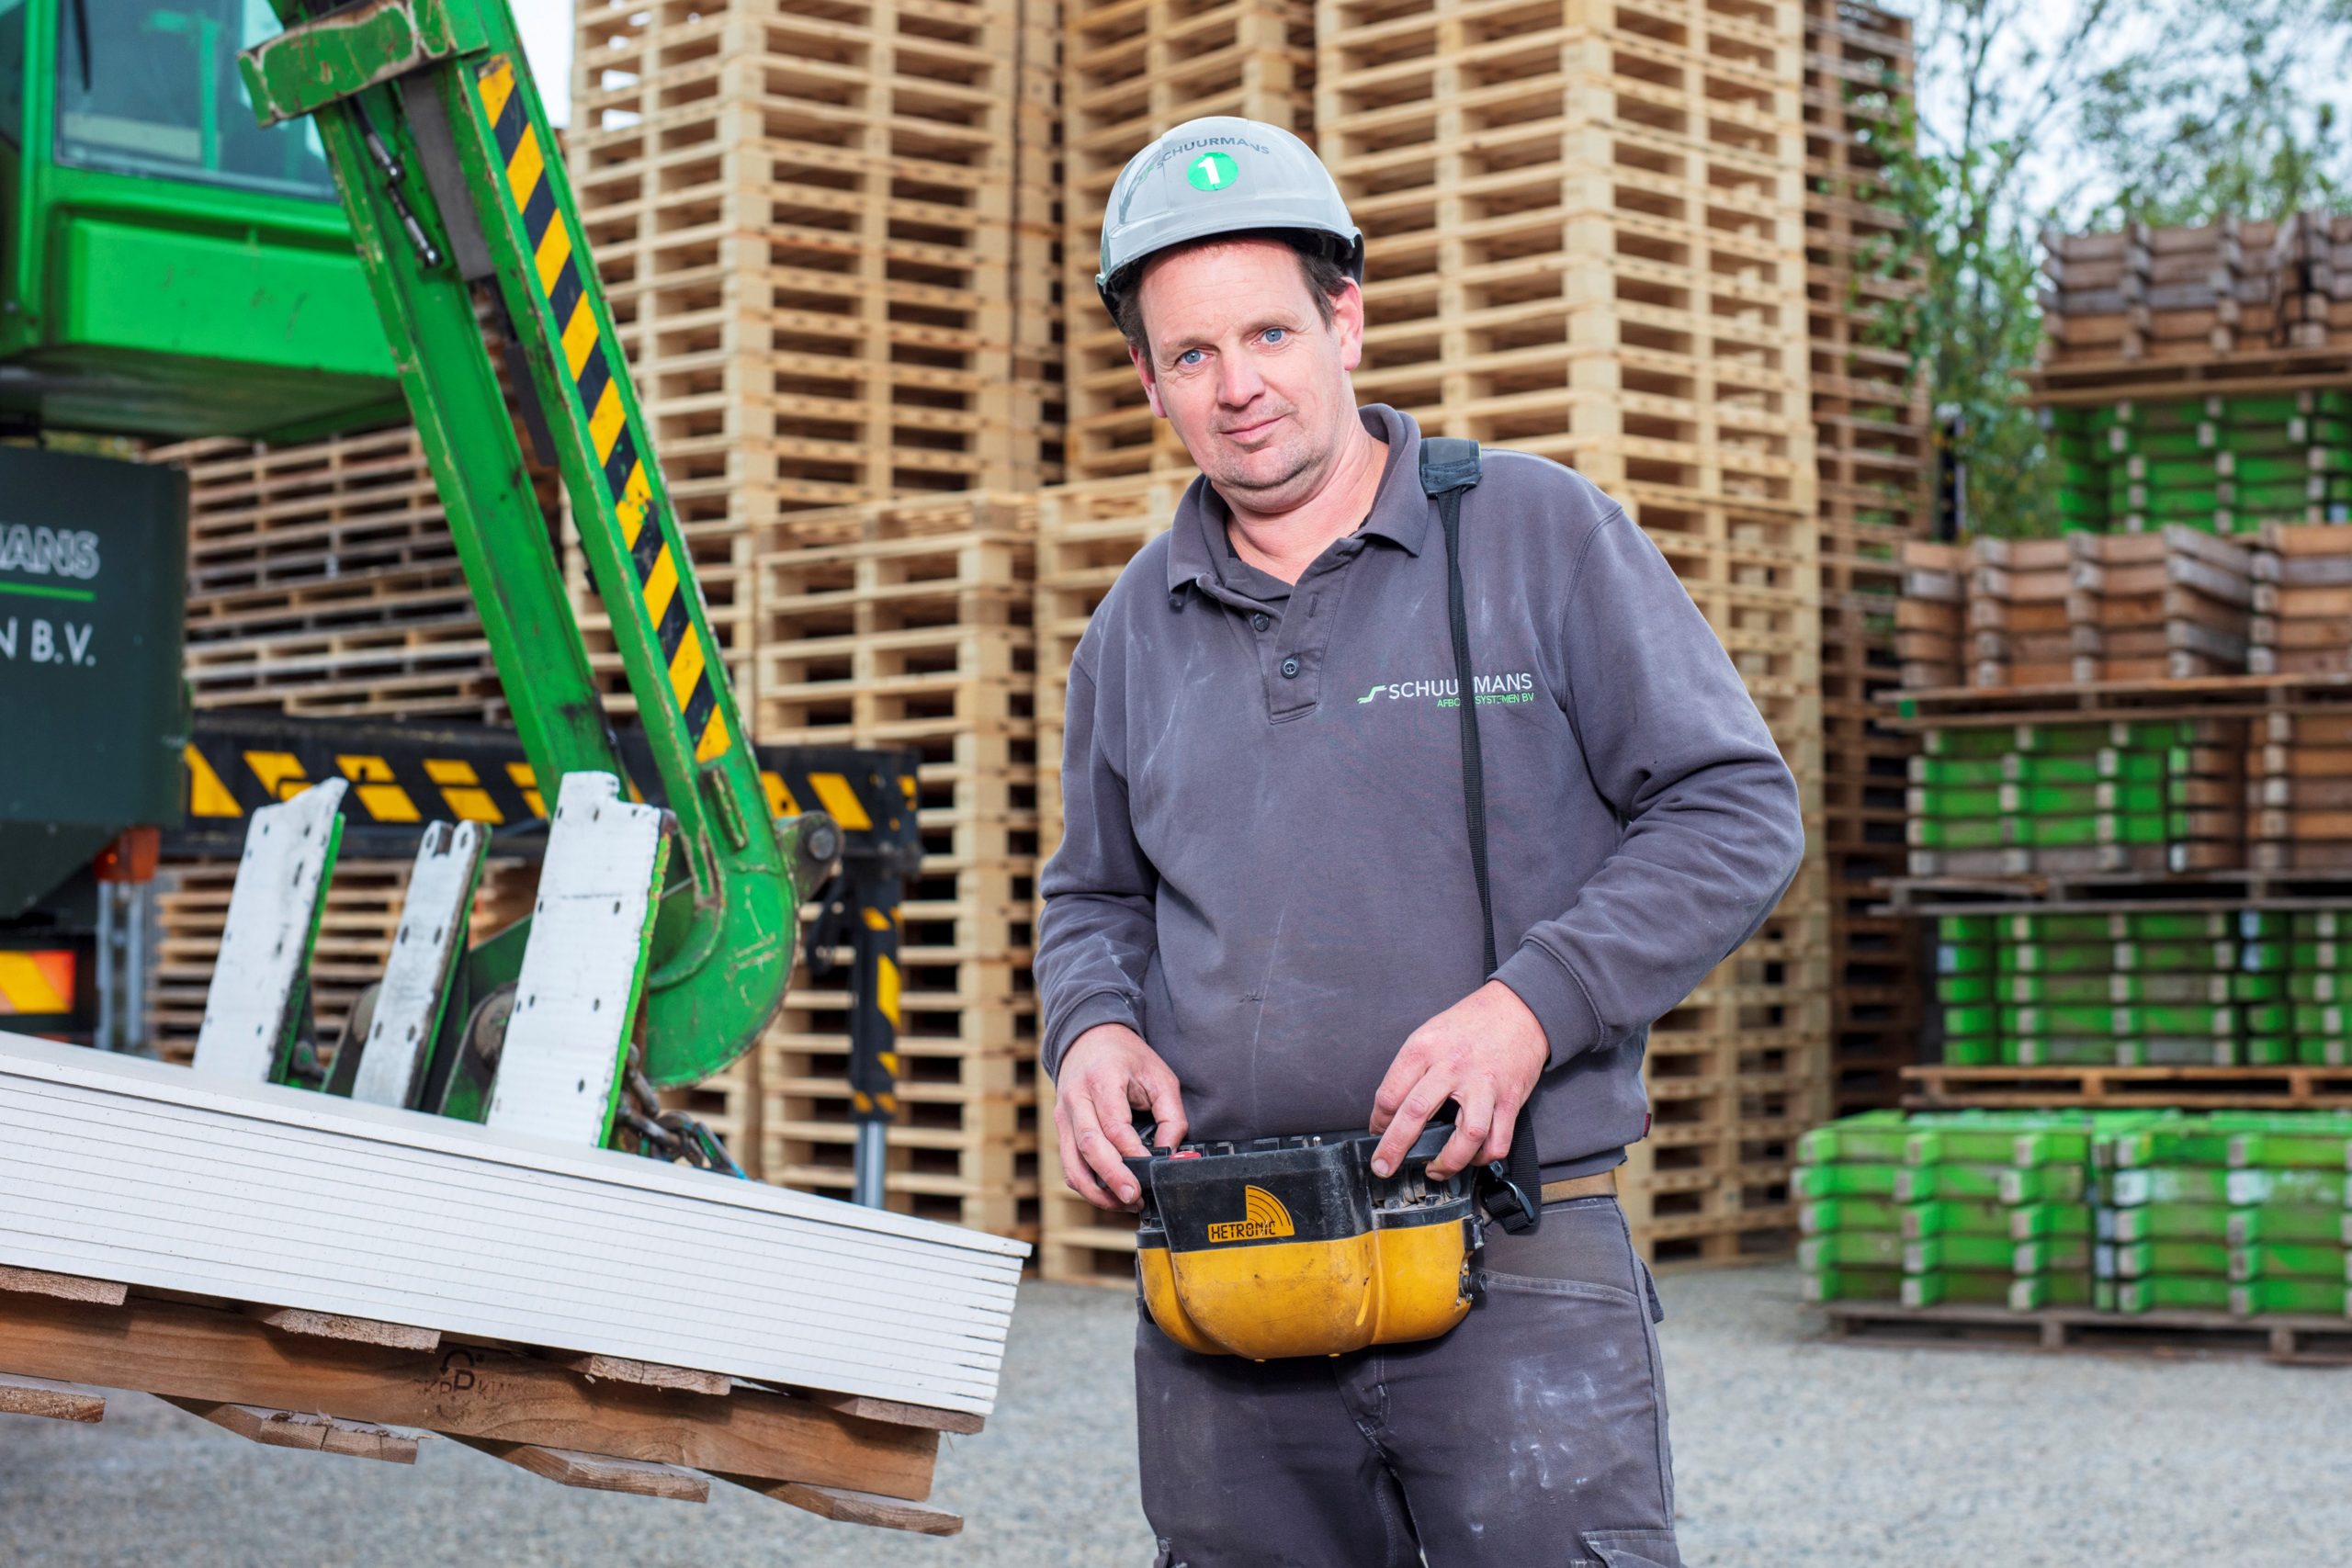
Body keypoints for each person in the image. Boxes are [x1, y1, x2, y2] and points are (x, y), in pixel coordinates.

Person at [1034, 116, 1805, 1568]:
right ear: (1147, 382)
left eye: (1269, 332)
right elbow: (1093, 894)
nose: (1238, 387)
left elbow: (1733, 806)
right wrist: (1091, 1031)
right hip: (1229, 1268)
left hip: (1512, 1254)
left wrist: (1531, 1008)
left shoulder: (1534, 534)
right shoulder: (1134, 625)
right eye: (1190, 356)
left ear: (1348, 321)